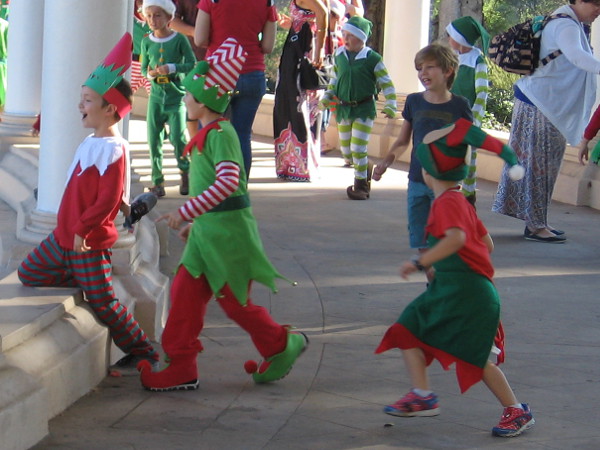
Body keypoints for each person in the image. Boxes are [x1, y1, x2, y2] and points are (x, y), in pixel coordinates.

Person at [137, 39, 308, 392]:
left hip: (228, 237)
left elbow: (229, 181)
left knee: (235, 304)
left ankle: (281, 345)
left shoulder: (222, 134)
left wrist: (186, 212)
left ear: (202, 103)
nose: (184, 100)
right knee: (184, 297)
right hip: (208, 235)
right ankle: (181, 365)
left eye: (188, 96)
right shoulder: (210, 132)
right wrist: (197, 223)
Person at [375, 117, 534, 438]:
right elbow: (484, 244)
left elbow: (458, 239)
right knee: (407, 328)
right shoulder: (459, 200)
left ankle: (516, 411)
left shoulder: (447, 202)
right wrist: (446, 266)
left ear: (429, 170)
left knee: (477, 357)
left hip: (469, 295)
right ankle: (422, 395)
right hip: (453, 289)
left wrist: (423, 262)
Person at [17, 33, 159, 374]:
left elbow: (106, 197)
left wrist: (84, 229)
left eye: (87, 100)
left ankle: (142, 350)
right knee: (28, 272)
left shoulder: (113, 148)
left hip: (87, 244)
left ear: (109, 109)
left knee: (104, 302)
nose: (80, 106)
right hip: (64, 238)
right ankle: (78, 275)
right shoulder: (92, 143)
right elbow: (102, 193)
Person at [493, 0, 600, 243]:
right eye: (596, 4)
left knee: (539, 165)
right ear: (580, 1)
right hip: (541, 105)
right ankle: (536, 226)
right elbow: (578, 58)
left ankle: (538, 221)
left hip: (537, 102)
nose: (599, 10)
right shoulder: (566, 26)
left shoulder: (563, 21)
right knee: (540, 166)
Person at [373, 43, 472, 260]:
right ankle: (433, 287)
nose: (422, 73)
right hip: (417, 181)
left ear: (448, 71)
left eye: (429, 67)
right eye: (419, 68)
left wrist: (462, 178)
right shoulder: (414, 101)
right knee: (422, 242)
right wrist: (385, 162)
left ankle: (443, 287)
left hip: (445, 185)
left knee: (446, 242)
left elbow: (468, 145)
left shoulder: (460, 106)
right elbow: (402, 141)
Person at [194, 0, 278, 177]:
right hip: (252, 73)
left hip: (219, 73)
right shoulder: (267, 2)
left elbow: (200, 39)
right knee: (242, 135)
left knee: (210, 131)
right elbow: (268, 46)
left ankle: (211, 186)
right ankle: (238, 190)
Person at [320, 15, 396, 200]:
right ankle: (364, 166)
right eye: (344, 34)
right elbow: (335, 81)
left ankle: (361, 186)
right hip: (344, 109)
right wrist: (326, 99)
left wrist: (390, 104)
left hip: (364, 109)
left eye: (350, 35)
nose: (345, 38)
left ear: (361, 38)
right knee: (347, 151)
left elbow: (387, 84)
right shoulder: (339, 55)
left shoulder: (372, 58)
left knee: (358, 148)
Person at [140, 0, 195, 198]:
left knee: (178, 138)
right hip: (155, 98)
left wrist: (173, 68)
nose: (153, 20)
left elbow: (191, 64)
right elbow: (143, 68)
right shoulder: (146, 41)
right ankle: (157, 181)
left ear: (168, 17)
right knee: (154, 140)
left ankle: (185, 171)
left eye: (158, 15)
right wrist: (152, 74)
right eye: (149, 16)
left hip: (176, 97)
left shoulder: (179, 39)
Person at [273, 0, 328, 182]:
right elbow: (311, 18)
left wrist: (319, 50)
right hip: (297, 45)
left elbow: (323, 14)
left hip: (302, 50)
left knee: (299, 103)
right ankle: (293, 164)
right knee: (292, 102)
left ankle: (301, 166)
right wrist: (292, 23)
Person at [446, 16, 490, 206]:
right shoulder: (449, 58)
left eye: (451, 36)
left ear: (461, 39)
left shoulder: (478, 61)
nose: (448, 40)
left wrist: (473, 118)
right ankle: (451, 197)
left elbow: (482, 92)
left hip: (469, 120)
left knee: (469, 161)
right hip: (448, 118)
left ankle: (468, 197)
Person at [170, 0, 206, 138]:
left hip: (224, 60)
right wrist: (194, 32)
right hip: (194, 59)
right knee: (193, 110)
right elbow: (173, 20)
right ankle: (195, 149)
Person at [320, 0, 345, 155]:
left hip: (337, 77)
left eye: (335, 16)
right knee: (324, 107)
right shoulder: (321, 33)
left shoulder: (341, 37)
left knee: (339, 111)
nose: (333, 19)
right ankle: (321, 141)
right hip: (325, 75)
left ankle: (347, 147)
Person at [131, 0, 152, 95]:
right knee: (117, 101)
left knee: (160, 103)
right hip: (132, 62)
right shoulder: (128, 8)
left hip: (155, 63)